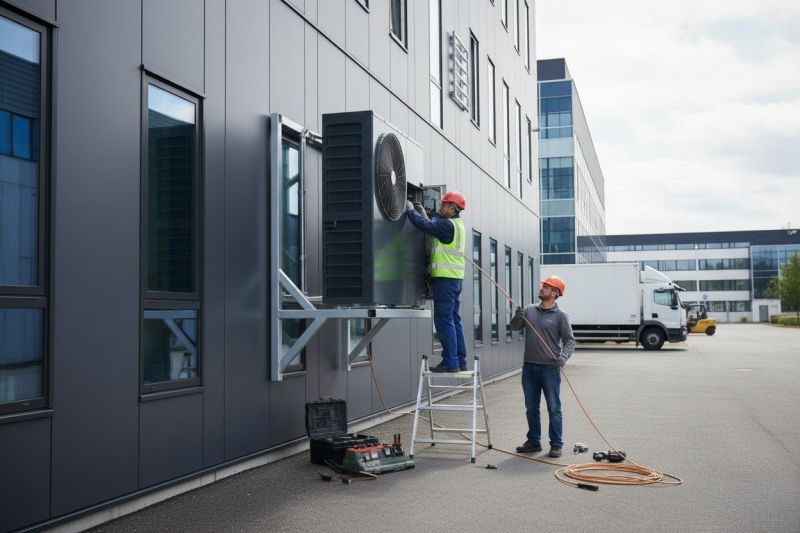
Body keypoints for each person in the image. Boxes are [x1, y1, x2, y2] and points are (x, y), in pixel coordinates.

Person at [510, 275, 575, 458]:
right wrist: (517, 317)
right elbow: (514, 327)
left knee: (553, 408)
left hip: (550, 369)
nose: (542, 288)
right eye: (543, 286)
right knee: (531, 407)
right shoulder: (529, 310)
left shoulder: (561, 316)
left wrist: (563, 358)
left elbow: (570, 341)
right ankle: (533, 441)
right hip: (529, 367)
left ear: (555, 293)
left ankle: (556, 444)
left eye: (546, 287)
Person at [405, 191, 468, 373]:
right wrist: (426, 216)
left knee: (444, 320)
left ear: (451, 208)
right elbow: (432, 225)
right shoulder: (457, 225)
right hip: (454, 280)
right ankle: (460, 360)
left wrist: (410, 210)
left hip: (445, 280)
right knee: (454, 319)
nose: (440, 208)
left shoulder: (447, 225)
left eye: (443, 205)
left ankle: (450, 362)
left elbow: (424, 225)